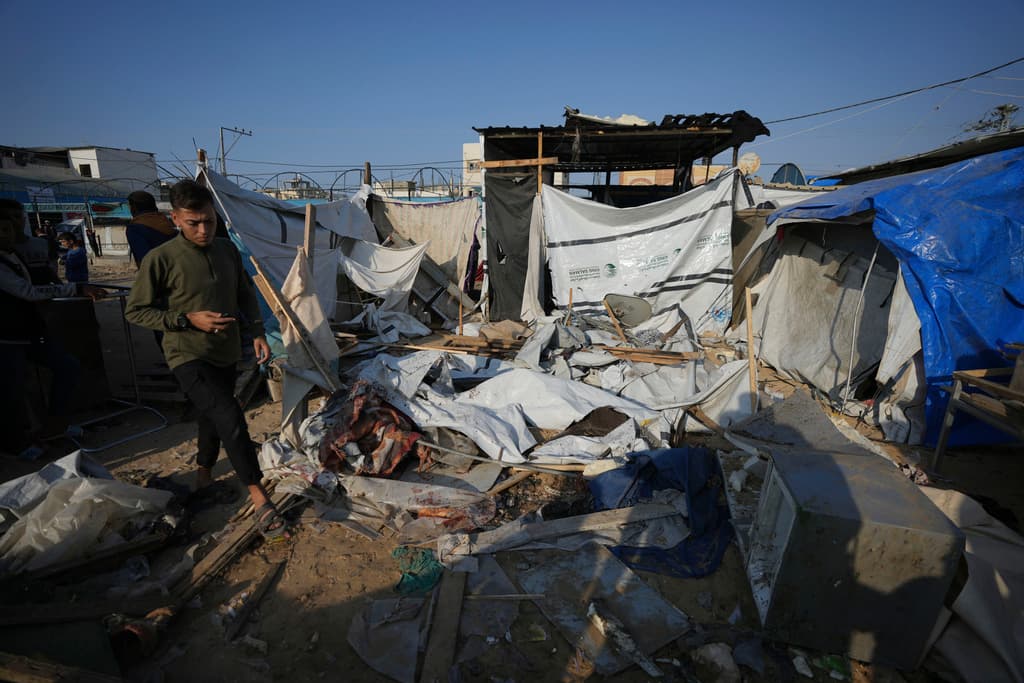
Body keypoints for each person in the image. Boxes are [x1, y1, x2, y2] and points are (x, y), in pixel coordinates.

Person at [124, 180, 288, 540]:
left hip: (224, 351)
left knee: (210, 417)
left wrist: (257, 331)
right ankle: (259, 497)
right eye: (193, 223)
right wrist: (186, 319)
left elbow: (245, 292)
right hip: (186, 354)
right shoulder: (161, 258)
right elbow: (136, 311)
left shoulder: (227, 251)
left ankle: (202, 479)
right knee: (229, 415)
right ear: (176, 219)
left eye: (209, 222)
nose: (202, 230)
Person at [0, 213, 106, 456]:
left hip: (27, 330)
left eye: (9, 228)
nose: (7, 234)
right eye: (2, 229)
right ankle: (16, 443)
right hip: (6, 336)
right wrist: (75, 288)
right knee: (12, 391)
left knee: (67, 366)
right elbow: (26, 291)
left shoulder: (13, 255)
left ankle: (55, 424)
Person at [125, 190, 175, 266]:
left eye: (130, 206)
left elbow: (143, 261)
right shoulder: (166, 222)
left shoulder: (135, 228)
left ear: (134, 207)